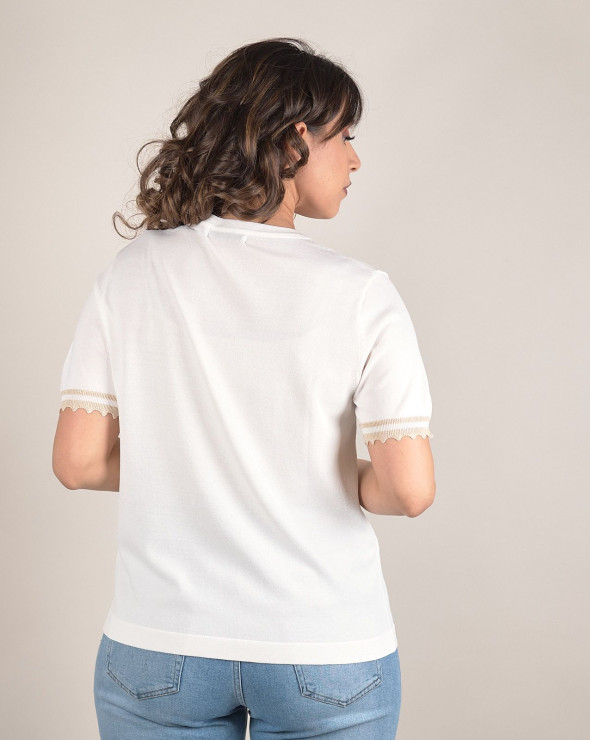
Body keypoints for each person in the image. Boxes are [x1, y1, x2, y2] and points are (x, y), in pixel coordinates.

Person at [52, 37, 435, 740]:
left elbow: (78, 464)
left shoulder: (131, 274)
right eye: (345, 137)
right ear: (294, 142)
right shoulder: (361, 295)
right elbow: (407, 491)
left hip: (159, 645)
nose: (355, 160)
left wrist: (196, 470)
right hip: (322, 645)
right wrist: (305, 475)